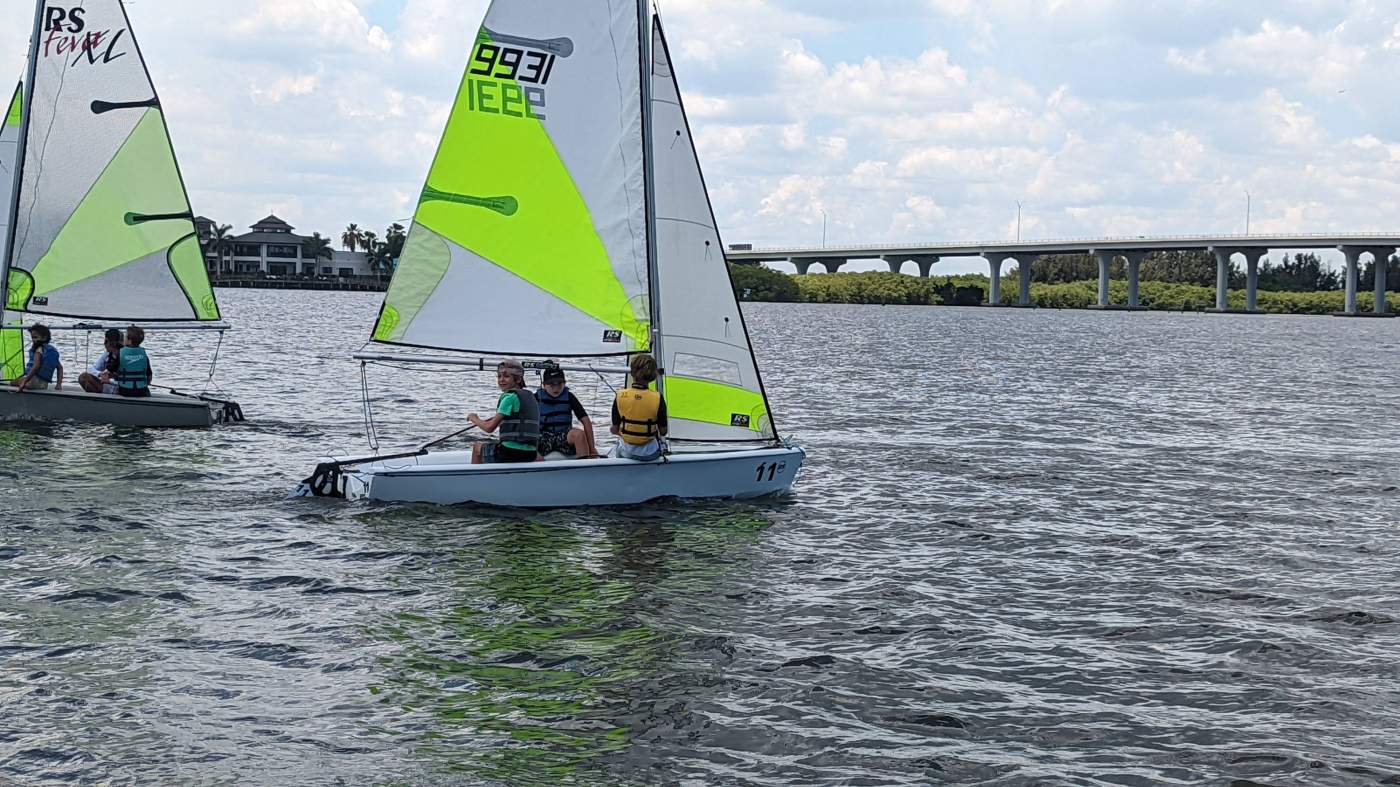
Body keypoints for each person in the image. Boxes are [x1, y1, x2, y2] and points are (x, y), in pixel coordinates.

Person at [469, 359, 540, 464]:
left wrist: (474, 418)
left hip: (509, 453)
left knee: (477, 448)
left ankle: (474, 479)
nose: (501, 380)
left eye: (506, 377)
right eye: (499, 376)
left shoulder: (509, 398)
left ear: (518, 379)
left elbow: (489, 428)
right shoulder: (531, 397)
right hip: (530, 453)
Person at [535, 363, 599, 460]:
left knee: (579, 434)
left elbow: (585, 420)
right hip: (543, 437)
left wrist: (592, 448)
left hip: (564, 436)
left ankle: (585, 467)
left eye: (559, 384)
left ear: (565, 383)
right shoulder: (535, 398)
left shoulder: (569, 397)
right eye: (552, 384)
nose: (556, 388)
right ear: (544, 385)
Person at [611, 353, 667, 461]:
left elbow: (614, 429)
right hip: (649, 454)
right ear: (652, 376)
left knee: (617, 447)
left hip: (626, 452)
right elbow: (663, 431)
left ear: (632, 373)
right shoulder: (658, 398)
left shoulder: (620, 395)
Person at [10, 324, 63, 393]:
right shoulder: (50, 351)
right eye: (32, 338)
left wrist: (25, 381)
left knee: (13, 382)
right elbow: (60, 368)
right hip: (44, 384)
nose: (33, 340)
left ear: (44, 338)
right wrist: (58, 384)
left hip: (32, 382)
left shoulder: (38, 349)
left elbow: (36, 366)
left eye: (35, 337)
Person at [105, 325, 153, 398]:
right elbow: (149, 376)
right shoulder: (144, 355)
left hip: (125, 391)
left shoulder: (121, 353)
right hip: (142, 391)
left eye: (126, 336)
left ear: (129, 340)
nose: (124, 338)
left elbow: (110, 369)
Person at [79, 328, 123, 394]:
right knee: (83, 377)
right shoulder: (107, 354)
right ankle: (98, 400)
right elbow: (91, 369)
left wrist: (109, 381)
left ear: (113, 343)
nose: (104, 344)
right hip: (107, 387)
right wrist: (100, 374)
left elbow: (127, 382)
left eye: (106, 341)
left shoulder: (125, 356)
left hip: (120, 388)